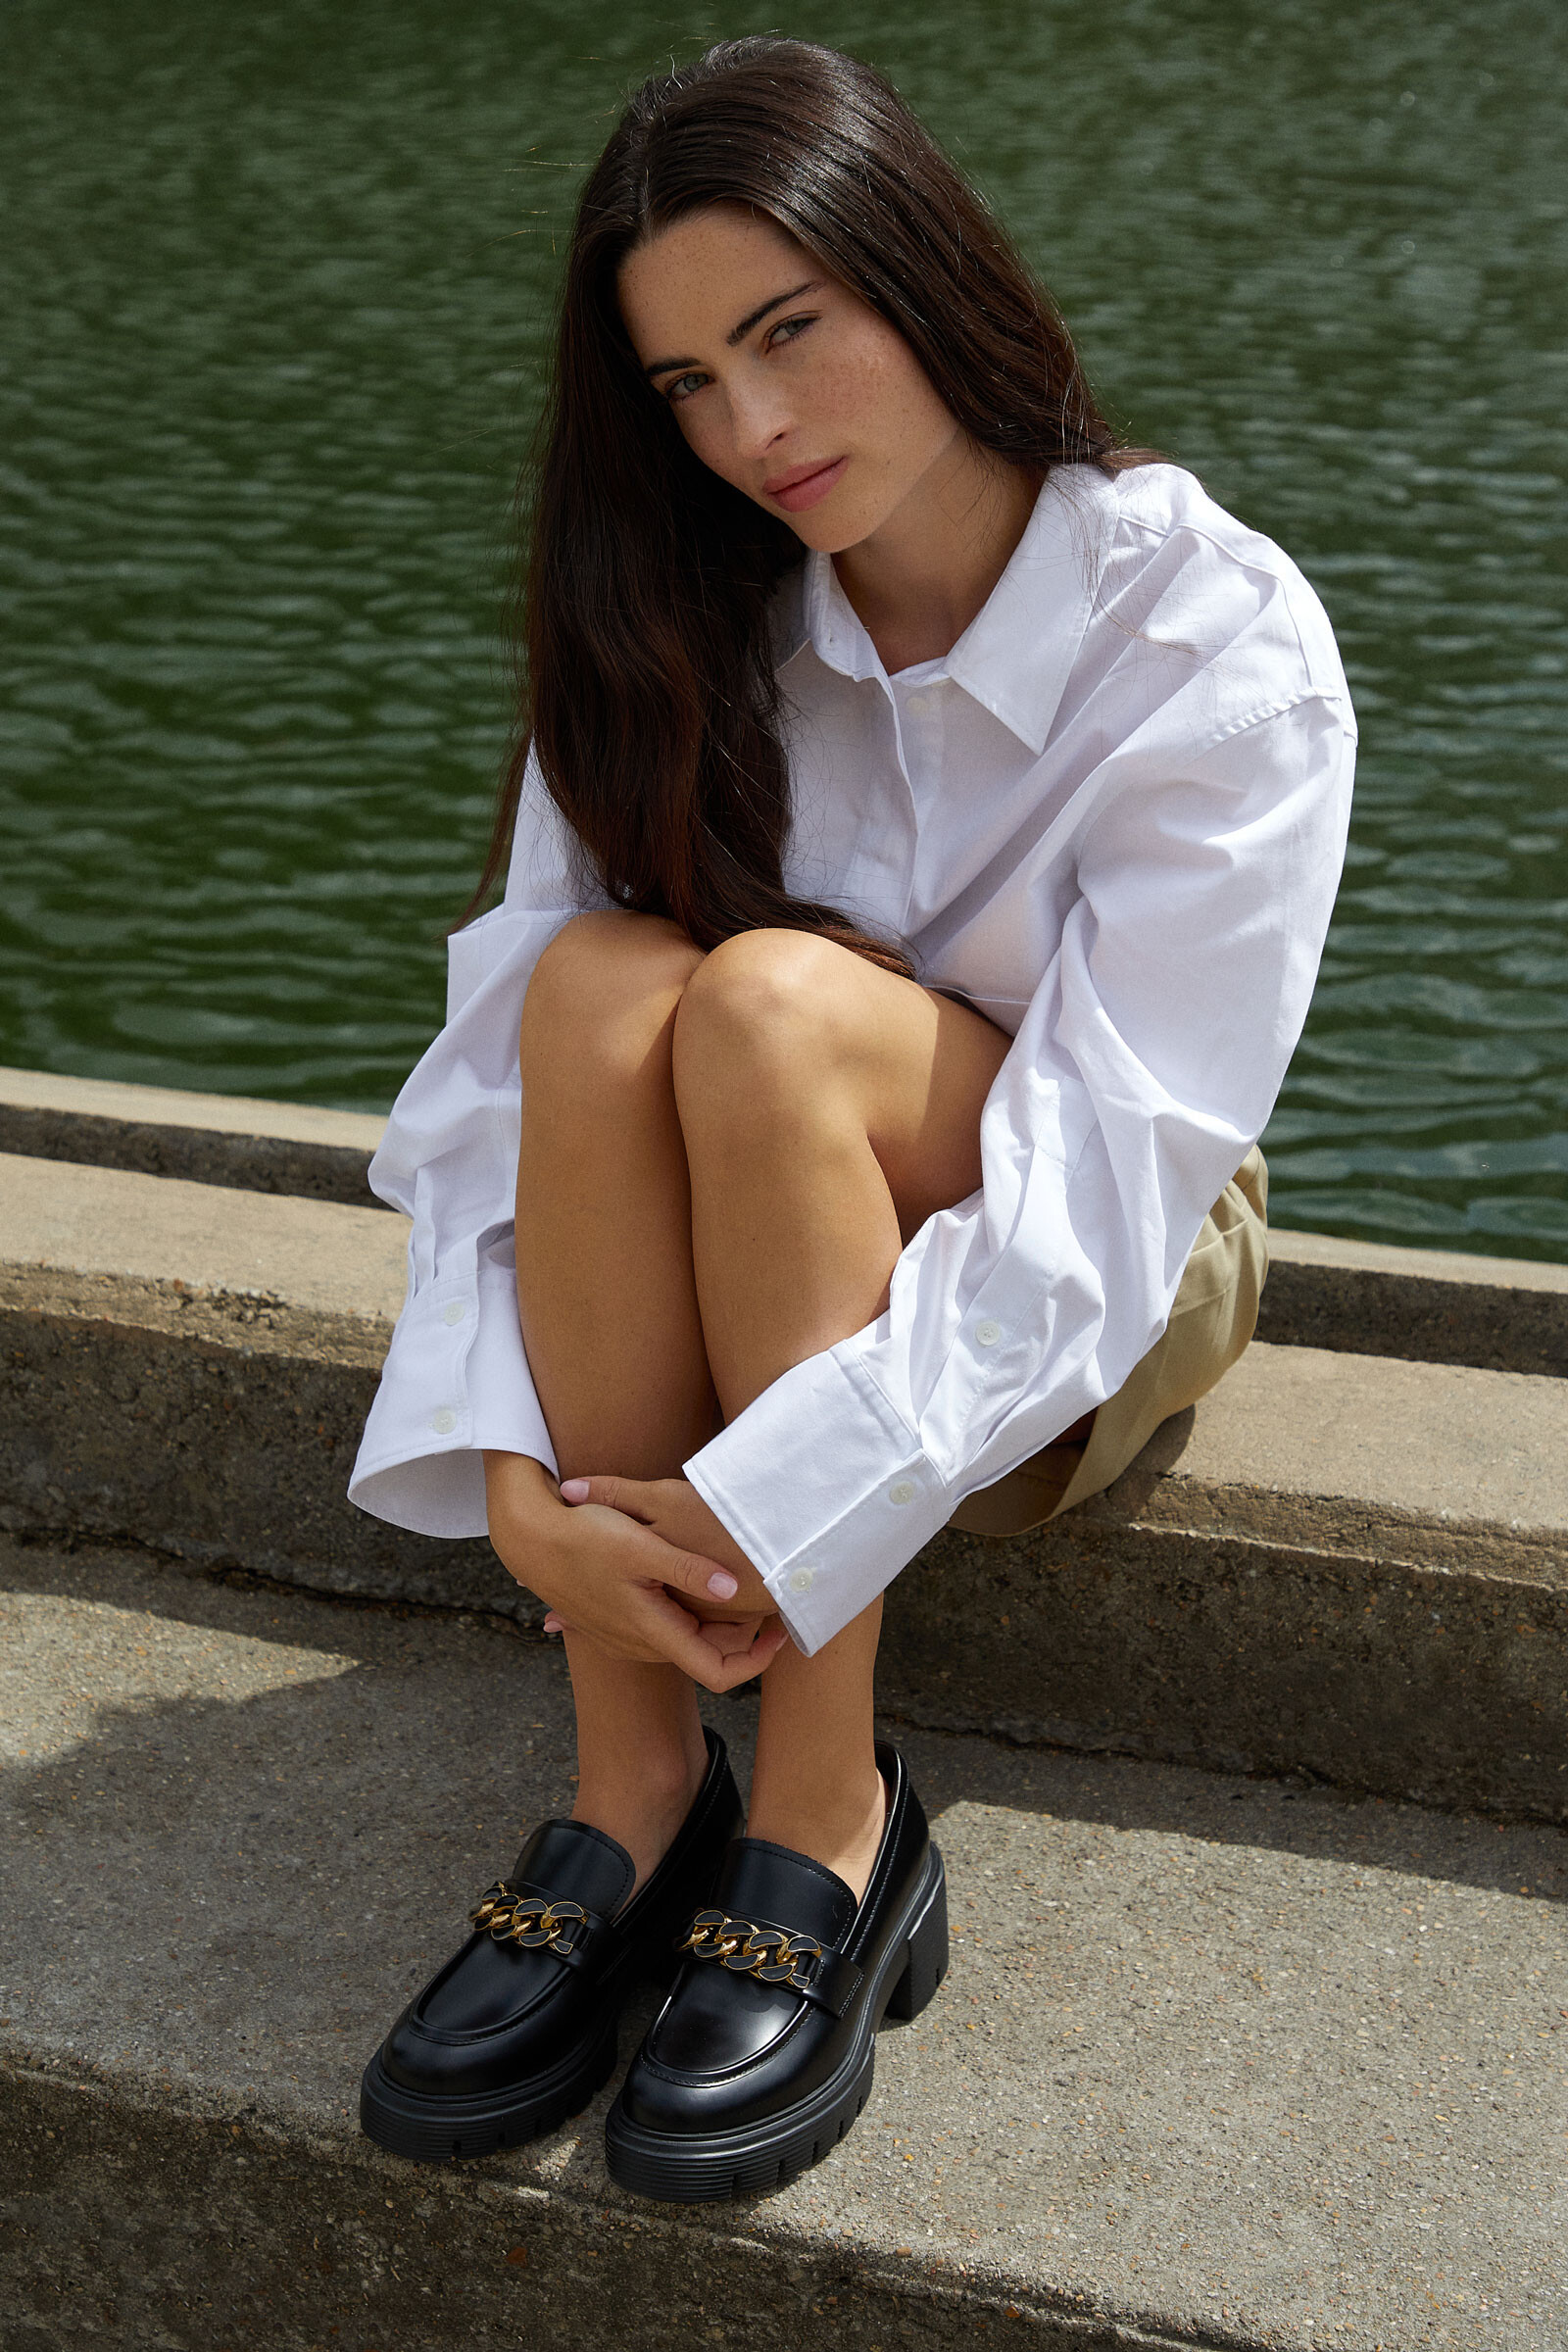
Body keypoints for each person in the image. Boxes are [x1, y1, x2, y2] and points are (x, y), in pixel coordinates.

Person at [349, 36, 1354, 2199]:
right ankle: (633, 1782)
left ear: (921, 270)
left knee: (774, 1008)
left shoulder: (1207, 635)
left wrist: (779, 1497)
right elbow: (504, 1082)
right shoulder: (676, 603)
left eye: (788, 330)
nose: (753, 430)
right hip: (741, 1166)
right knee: (602, 983)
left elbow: (1103, 1187)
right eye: (687, 384)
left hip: (1112, 1227)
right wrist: (512, 1483)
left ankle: (827, 1809)